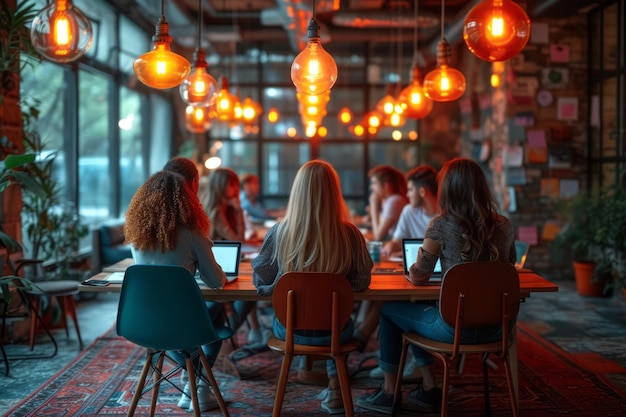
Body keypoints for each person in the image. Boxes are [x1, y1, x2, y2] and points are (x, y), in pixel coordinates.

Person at [356, 158, 516, 414]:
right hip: (497, 329)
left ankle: (389, 393)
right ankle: (429, 387)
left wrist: (414, 266)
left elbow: (419, 276)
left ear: (447, 188)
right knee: (420, 312)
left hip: (454, 329)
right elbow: (508, 267)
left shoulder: (441, 225)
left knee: (389, 310)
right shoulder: (504, 225)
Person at [252, 159, 372, 415]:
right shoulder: (350, 234)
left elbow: (261, 280)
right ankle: (335, 388)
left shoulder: (279, 232)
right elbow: (361, 283)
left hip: (289, 331)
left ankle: (319, 381)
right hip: (336, 332)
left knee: (298, 320)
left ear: (297, 192)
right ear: (335, 192)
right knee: (337, 322)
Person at [124, 170, 226, 412]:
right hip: (183, 323)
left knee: (177, 330)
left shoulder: (137, 237)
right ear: (187, 200)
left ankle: (193, 384)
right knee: (217, 310)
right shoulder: (193, 234)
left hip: (143, 323)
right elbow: (216, 282)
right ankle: (199, 386)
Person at [355, 166, 438, 380]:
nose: (406, 195)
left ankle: (394, 373)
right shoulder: (410, 211)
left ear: (421, 192)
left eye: (410, 190)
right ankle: (395, 361)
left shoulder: (442, 219)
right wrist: (392, 245)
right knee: (391, 298)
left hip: (434, 284)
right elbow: (394, 239)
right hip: (423, 278)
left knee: (391, 306)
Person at [199, 167, 263, 344]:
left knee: (253, 284)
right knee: (253, 290)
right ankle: (226, 338)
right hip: (218, 267)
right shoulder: (216, 212)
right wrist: (238, 210)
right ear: (222, 186)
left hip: (223, 263)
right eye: (233, 185)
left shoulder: (220, 207)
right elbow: (238, 240)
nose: (237, 189)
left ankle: (251, 331)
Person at [367, 165, 408, 241]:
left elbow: (378, 236)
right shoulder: (388, 200)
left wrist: (374, 205)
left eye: (374, 183)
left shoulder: (394, 200)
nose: (371, 187)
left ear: (386, 186)